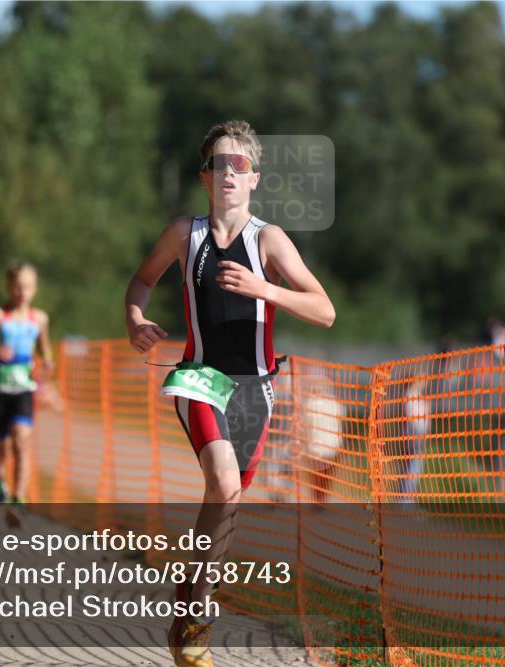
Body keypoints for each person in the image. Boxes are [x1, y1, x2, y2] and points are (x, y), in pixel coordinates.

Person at [124, 120, 335, 667]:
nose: (228, 174)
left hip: (255, 391)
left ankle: (192, 601)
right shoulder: (183, 234)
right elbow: (141, 280)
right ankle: (196, 616)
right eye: (219, 164)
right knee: (221, 482)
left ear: (254, 178)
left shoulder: (269, 240)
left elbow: (326, 310)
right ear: (204, 177)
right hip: (199, 376)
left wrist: (267, 288)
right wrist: (135, 319)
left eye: (239, 165)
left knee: (226, 501)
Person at [0, 263, 54, 509]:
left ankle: (18, 497)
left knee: (21, 440)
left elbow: (45, 348)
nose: (21, 291)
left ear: (34, 289)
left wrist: (48, 362)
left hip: (24, 385)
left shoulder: (39, 319)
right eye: (17, 286)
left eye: (27, 286)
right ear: (9, 287)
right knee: (3, 445)